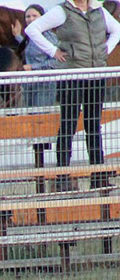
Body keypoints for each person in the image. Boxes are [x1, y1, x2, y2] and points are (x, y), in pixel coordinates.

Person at [26, 0, 120, 191]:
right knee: (68, 124)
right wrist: (53, 51)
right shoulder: (63, 11)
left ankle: (98, 176)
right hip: (73, 75)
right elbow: (33, 29)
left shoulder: (98, 10)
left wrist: (105, 50)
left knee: (93, 125)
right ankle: (62, 176)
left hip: (95, 74)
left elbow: (117, 29)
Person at [13, 4, 59, 107]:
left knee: (40, 118)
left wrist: (32, 67)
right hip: (30, 83)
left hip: (45, 84)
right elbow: (30, 47)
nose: (31, 19)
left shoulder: (49, 36)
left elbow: (56, 61)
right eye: (28, 16)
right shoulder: (30, 36)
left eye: (34, 16)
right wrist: (17, 36)